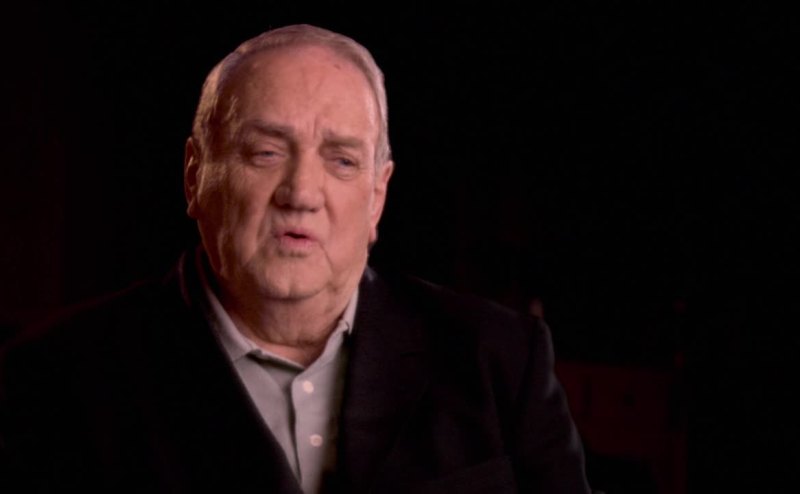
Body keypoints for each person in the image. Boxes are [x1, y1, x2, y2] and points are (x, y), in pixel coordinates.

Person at [0, 24, 590, 493]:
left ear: (377, 196)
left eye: (342, 160)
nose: (301, 193)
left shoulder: (500, 359)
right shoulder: (51, 378)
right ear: (194, 176)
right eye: (265, 152)